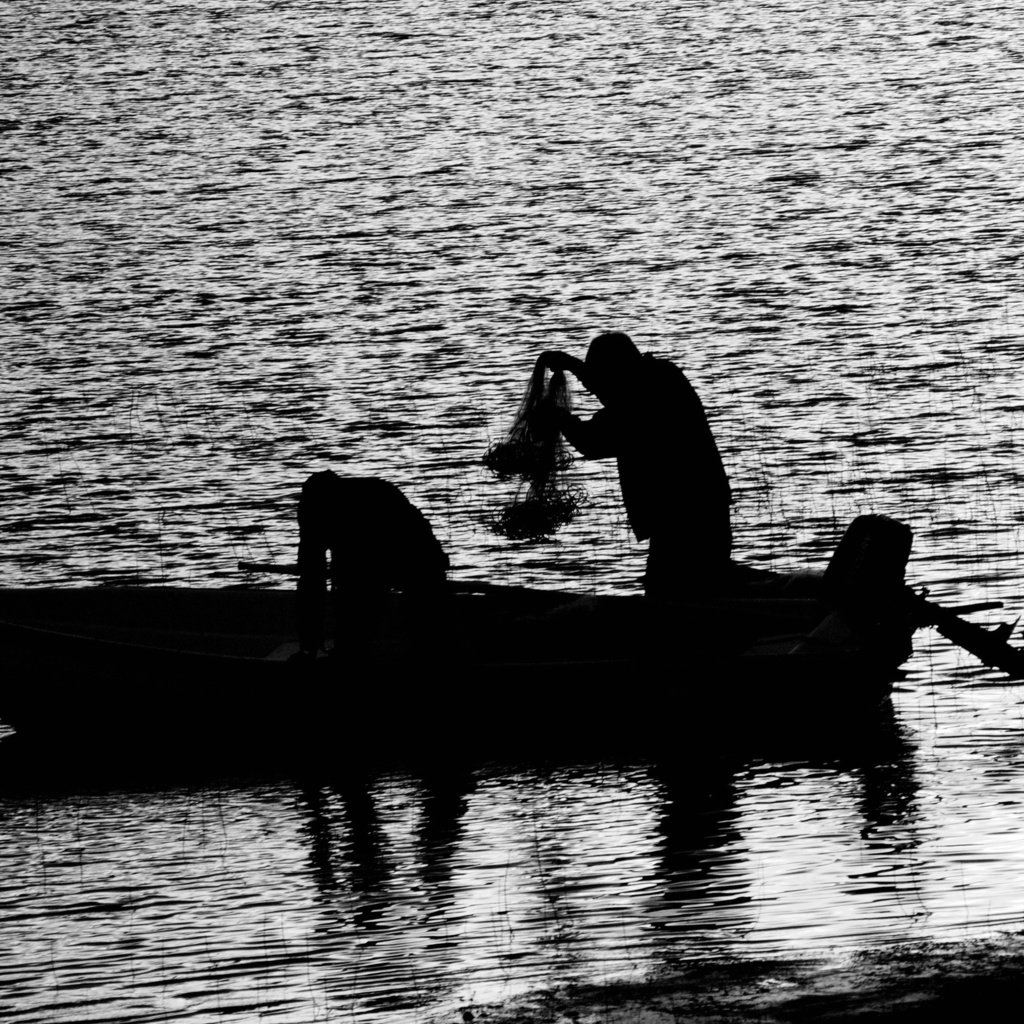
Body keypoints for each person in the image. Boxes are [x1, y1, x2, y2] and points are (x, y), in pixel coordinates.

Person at [535, 331, 733, 598]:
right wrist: (570, 364)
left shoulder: (639, 400)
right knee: (700, 587)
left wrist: (560, 418)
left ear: (616, 369)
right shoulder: (659, 375)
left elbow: (593, 442)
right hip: (702, 507)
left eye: (597, 377)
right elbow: (612, 386)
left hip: (683, 517)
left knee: (671, 594)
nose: (590, 389)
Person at [295, 471, 450, 658]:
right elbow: (311, 577)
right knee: (349, 589)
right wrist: (308, 646)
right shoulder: (312, 511)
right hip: (377, 562)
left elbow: (349, 583)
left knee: (357, 594)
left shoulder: (361, 508)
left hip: (418, 559)